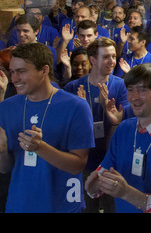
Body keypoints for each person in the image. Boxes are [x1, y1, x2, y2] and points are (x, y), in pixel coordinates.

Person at [0, 43, 94, 212]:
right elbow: (5, 168)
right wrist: (1, 150)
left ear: (43, 70)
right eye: (12, 72)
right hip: (18, 205)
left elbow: (78, 165)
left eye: (21, 72)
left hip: (62, 206)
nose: (14, 79)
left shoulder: (76, 107)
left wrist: (40, 148)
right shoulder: (6, 108)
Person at [85, 63, 151, 213]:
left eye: (142, 90)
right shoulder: (124, 128)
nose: (134, 97)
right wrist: (94, 185)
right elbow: (104, 173)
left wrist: (127, 192)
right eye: (130, 90)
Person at [64, 37, 129, 212]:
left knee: (111, 208)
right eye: (106, 57)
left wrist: (108, 108)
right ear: (92, 60)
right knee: (86, 208)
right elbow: (66, 129)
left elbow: (123, 120)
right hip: (85, 160)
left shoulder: (121, 85)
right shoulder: (73, 87)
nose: (112, 61)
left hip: (111, 161)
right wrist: (80, 110)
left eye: (114, 56)